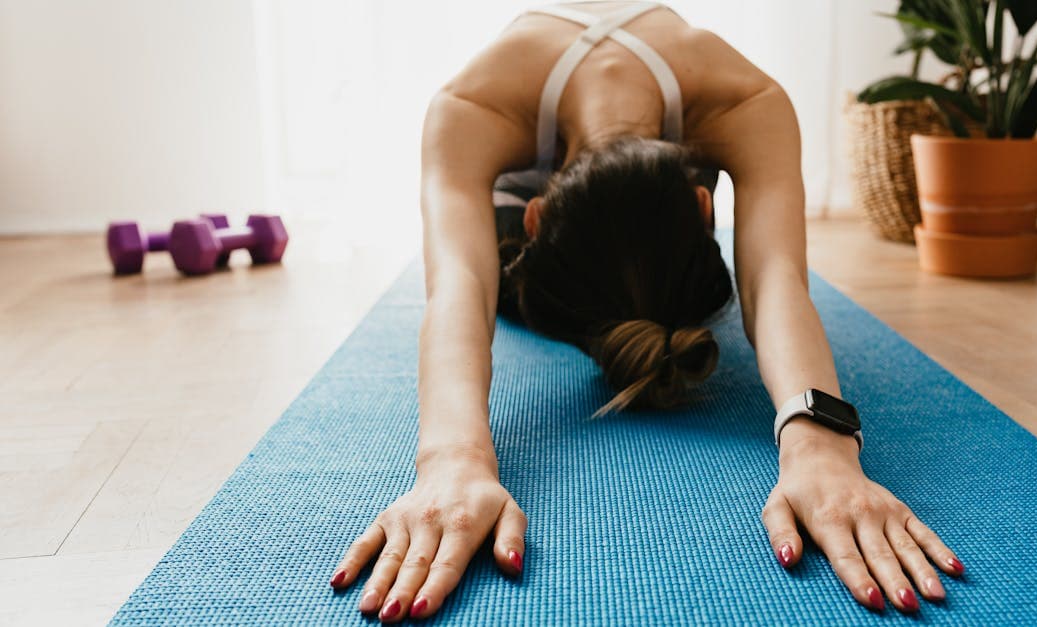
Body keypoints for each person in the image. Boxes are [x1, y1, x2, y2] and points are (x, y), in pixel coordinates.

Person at [329, 1, 965, 621]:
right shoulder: (472, 105)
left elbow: (774, 279)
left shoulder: (745, 100)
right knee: (492, 268)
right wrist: (452, 459)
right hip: (517, 188)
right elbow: (459, 286)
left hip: (611, 179)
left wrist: (820, 445)